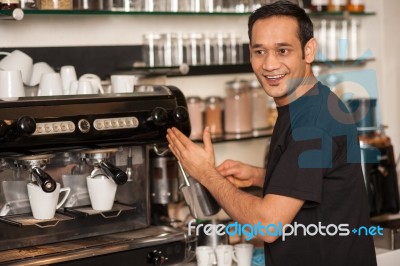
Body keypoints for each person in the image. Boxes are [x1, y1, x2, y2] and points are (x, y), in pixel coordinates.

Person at [166, 1, 377, 265]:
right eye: (260, 51)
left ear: (308, 50)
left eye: (283, 50)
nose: (269, 64)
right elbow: (316, 181)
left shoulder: (313, 123)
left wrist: (205, 173)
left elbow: (268, 224)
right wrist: (259, 176)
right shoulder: (309, 103)